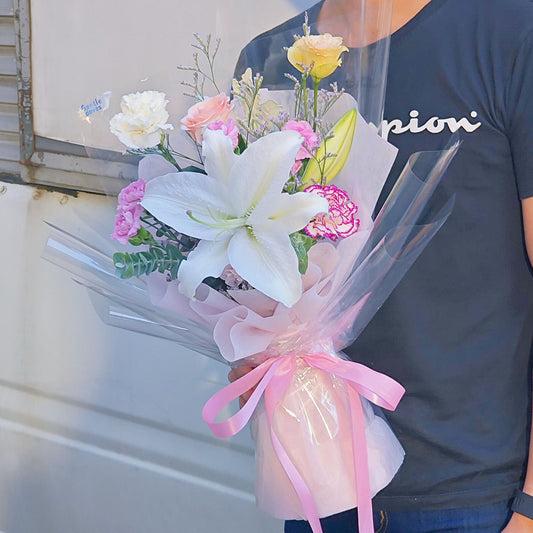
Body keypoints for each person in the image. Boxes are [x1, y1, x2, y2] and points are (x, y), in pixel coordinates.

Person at [230, 0, 533, 531]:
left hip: (479, 496)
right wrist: (252, 354)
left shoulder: (509, 31)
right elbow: (257, 273)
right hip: (323, 486)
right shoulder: (268, 63)